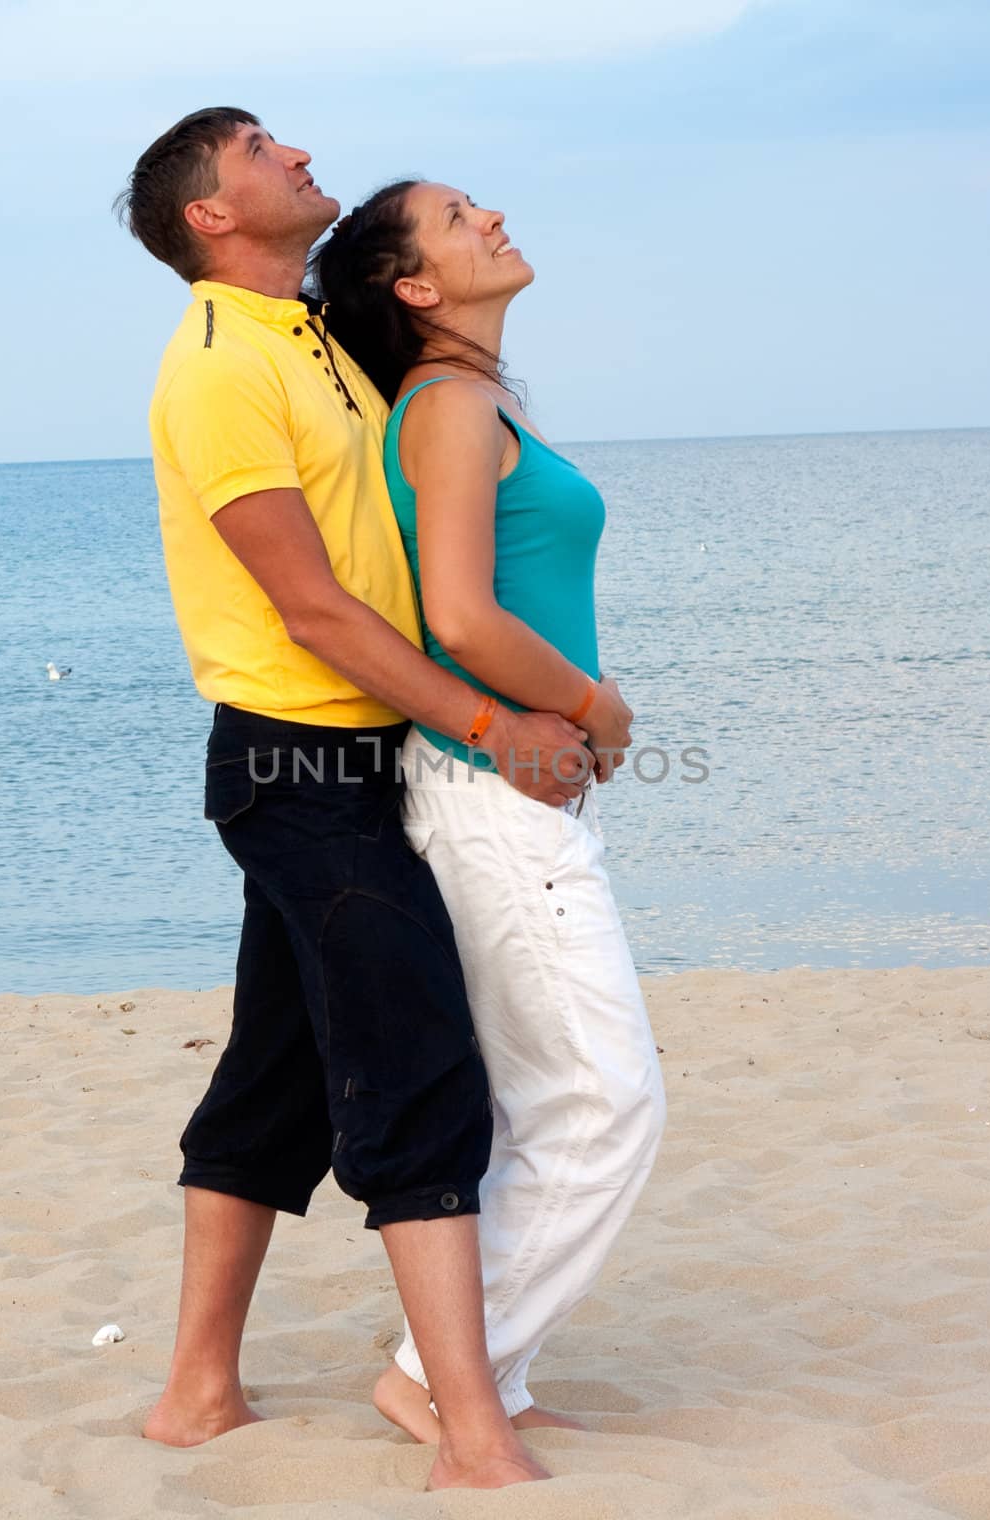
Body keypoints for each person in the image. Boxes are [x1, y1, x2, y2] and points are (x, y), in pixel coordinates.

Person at [115, 110, 591, 1490]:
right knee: (415, 1066)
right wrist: (495, 721)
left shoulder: (316, 334)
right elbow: (312, 605)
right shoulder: (212, 370)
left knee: (279, 1077)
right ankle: (470, 1432)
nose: (298, 152)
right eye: (260, 149)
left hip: (369, 760)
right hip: (293, 765)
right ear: (210, 215)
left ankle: (196, 1397)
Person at [312, 181, 667, 1441]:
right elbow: (456, 617)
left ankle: (489, 1377)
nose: (496, 219)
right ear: (414, 287)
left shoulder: (473, 401)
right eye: (461, 220)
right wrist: (595, 704)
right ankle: (431, 1373)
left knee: (545, 1094)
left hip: (506, 790)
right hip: (492, 795)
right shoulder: (452, 406)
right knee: (606, 1098)